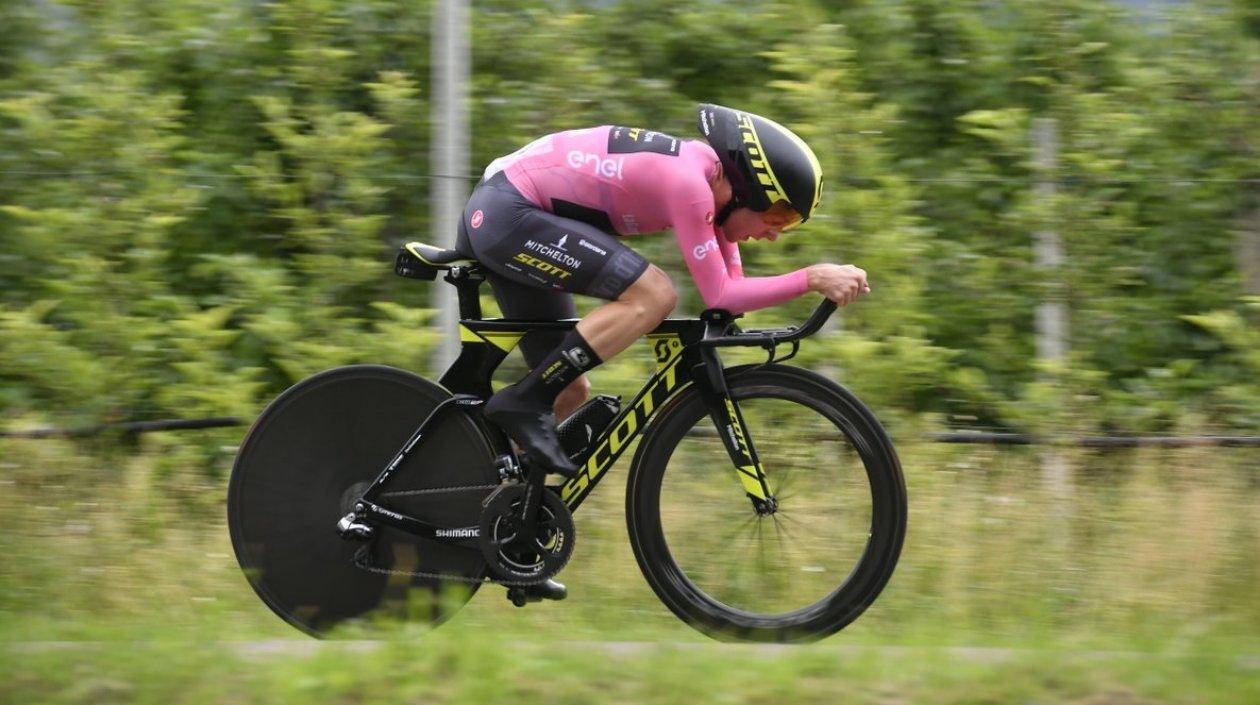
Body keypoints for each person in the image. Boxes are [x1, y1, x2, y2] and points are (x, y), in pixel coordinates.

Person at [457, 104, 870, 479]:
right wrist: (813, 277)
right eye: (778, 216)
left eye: (789, 222)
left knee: (568, 391)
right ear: (746, 191)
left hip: (510, 212)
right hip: (506, 212)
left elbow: (732, 291)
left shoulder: (708, 180)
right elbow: (722, 296)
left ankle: (480, 493)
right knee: (654, 294)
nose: (775, 234)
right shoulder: (689, 183)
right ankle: (523, 399)